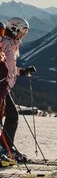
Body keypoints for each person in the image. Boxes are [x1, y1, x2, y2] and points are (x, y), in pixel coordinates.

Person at [0, 18, 36, 163]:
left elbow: (10, 68)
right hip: (1, 88)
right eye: (23, 31)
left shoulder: (11, 44)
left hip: (4, 88)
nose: (24, 35)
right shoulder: (6, 44)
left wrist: (22, 71)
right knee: (12, 116)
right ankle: (5, 148)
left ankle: (5, 148)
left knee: (12, 116)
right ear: (14, 29)